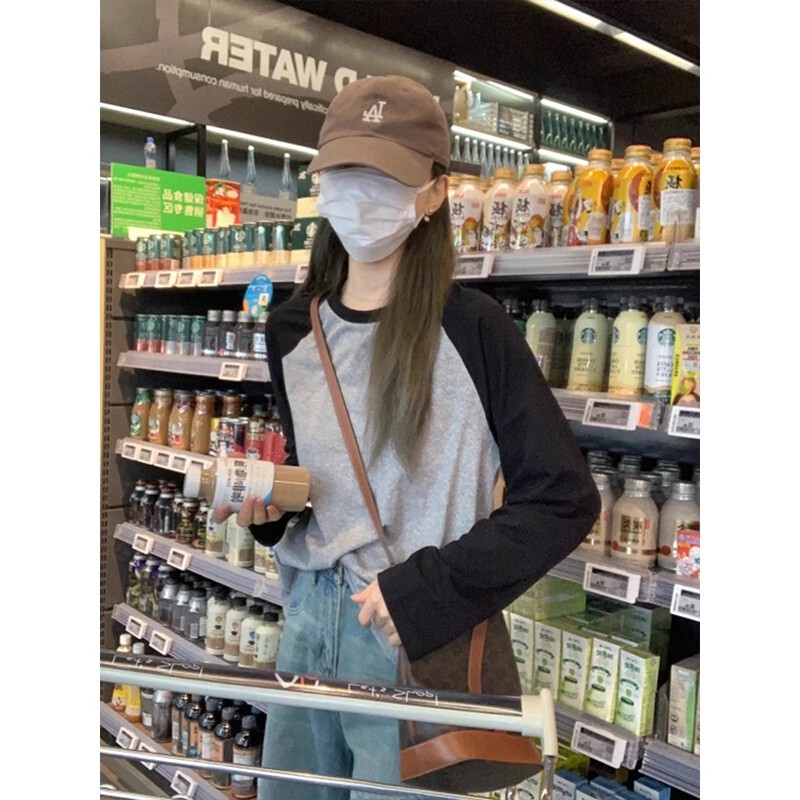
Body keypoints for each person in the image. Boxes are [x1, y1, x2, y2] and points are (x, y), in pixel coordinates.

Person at [212, 75, 600, 800]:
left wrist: (429, 591)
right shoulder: (292, 328)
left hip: (406, 639)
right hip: (306, 623)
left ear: (432, 193)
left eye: (385, 176)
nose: (360, 195)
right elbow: (320, 474)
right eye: (345, 173)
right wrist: (273, 513)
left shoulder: (474, 329)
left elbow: (563, 499)